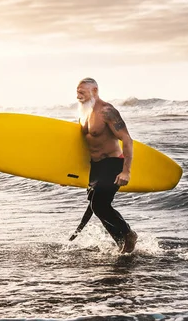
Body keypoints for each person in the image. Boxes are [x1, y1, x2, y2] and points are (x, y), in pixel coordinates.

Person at [70, 77, 137, 253]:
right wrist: (66, 173)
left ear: (95, 91)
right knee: (97, 207)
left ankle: (128, 234)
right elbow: (85, 145)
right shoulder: (84, 112)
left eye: (82, 92)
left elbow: (127, 140)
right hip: (96, 167)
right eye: (77, 92)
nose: (78, 96)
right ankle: (122, 244)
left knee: (99, 205)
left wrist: (126, 172)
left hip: (113, 164)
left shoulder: (107, 111)